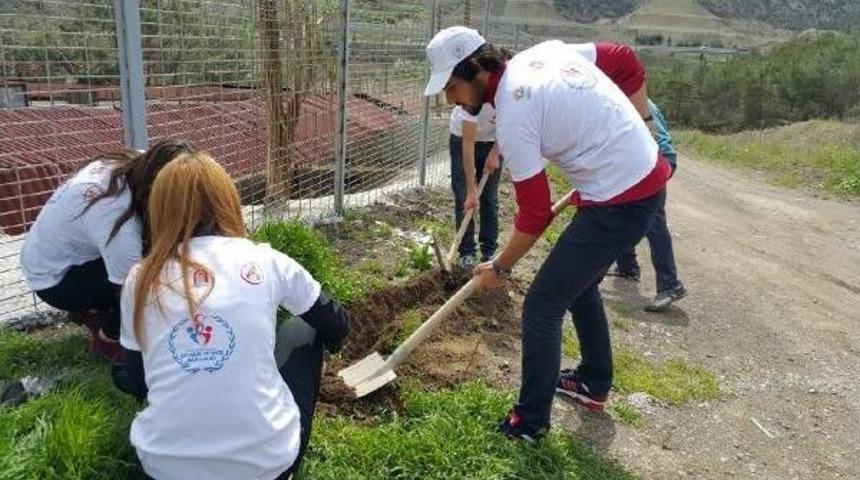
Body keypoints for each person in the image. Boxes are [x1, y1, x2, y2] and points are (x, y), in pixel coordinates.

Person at [424, 27, 671, 441]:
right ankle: (593, 381)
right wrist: (643, 131)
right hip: (628, 183)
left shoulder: (515, 112)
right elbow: (624, 58)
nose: (451, 99)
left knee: (541, 305)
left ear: (475, 69)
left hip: (621, 198)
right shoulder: (545, 52)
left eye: (451, 86)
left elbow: (534, 214)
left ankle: (530, 422)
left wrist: (499, 267)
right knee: (579, 286)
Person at [111, 150, 349, 480]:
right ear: (229, 201)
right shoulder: (266, 260)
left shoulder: (140, 279)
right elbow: (335, 323)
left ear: (159, 210)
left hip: (164, 470)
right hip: (268, 467)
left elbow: (137, 381)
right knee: (300, 329)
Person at [20, 139, 190, 361]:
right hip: (55, 281)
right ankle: (107, 338)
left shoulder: (138, 162)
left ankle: (91, 309)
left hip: (53, 256)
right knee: (150, 281)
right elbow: (132, 293)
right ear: (153, 189)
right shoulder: (117, 218)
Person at [606, 99, 687, 312]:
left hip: (654, 159)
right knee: (622, 206)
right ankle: (628, 267)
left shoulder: (631, 98)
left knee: (653, 221)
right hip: (644, 159)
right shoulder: (629, 95)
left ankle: (670, 285)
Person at [449, 102, 501, 268]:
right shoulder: (470, 95)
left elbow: (512, 121)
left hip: (493, 140)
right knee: (464, 197)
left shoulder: (506, 87)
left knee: (489, 198)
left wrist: (496, 152)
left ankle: (489, 252)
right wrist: (471, 190)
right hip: (462, 138)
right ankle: (466, 253)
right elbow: (468, 144)